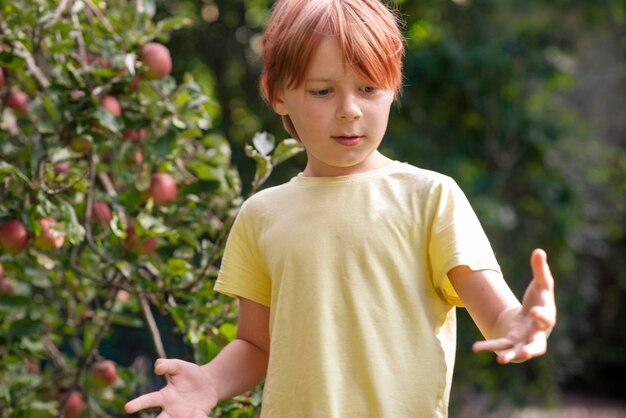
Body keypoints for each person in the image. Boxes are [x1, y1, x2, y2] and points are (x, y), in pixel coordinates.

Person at [125, 0, 557, 416]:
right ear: (277, 95)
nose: (349, 111)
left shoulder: (431, 197)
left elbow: (497, 316)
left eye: (368, 88)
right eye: (322, 91)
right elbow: (257, 346)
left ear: (393, 89)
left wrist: (521, 325)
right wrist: (210, 382)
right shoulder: (261, 215)